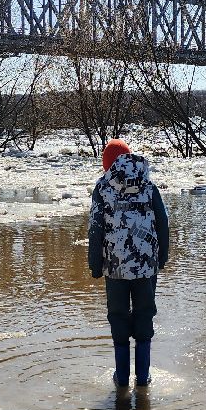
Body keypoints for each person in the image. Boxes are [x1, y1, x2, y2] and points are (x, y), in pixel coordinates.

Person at [87, 139, 169, 389]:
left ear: (107, 164)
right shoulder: (148, 185)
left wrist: (95, 264)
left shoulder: (103, 188)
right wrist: (162, 257)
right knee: (145, 314)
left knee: (118, 316)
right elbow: (163, 222)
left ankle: (122, 379)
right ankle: (143, 379)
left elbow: (95, 228)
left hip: (115, 267)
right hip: (146, 266)